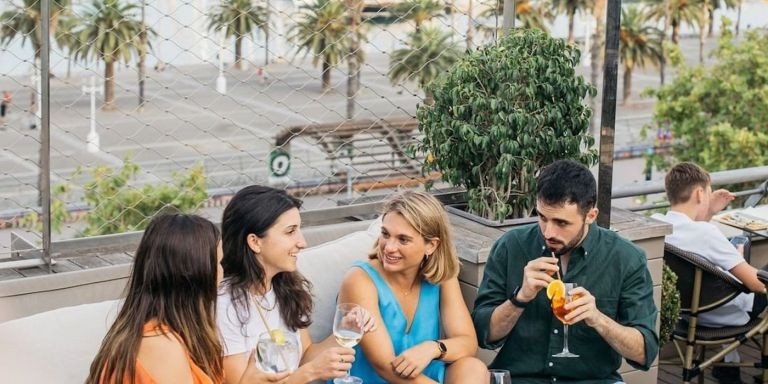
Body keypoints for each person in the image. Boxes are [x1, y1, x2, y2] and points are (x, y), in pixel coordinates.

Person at [472, 159, 658, 383]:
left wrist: (598, 319)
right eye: (542, 217)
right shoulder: (512, 246)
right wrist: (520, 298)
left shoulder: (625, 258)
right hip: (522, 379)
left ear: (590, 215)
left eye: (561, 223)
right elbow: (484, 335)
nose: (548, 232)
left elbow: (644, 352)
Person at [86, 213, 283, 384]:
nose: (222, 273)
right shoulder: (161, 346)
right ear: (195, 273)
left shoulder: (175, 334)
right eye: (218, 263)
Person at [218, 185, 376, 384]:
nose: (302, 242)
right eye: (290, 231)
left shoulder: (286, 287)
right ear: (255, 242)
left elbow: (306, 355)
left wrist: (345, 330)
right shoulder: (225, 305)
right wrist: (310, 373)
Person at [339, 190, 488, 383]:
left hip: (423, 374)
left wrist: (433, 348)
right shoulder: (360, 280)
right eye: (385, 234)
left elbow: (468, 343)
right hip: (376, 378)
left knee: (473, 368)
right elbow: (384, 365)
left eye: (403, 239)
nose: (389, 247)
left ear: (431, 246)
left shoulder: (442, 276)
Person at [651, 162, 766, 384]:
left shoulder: (658, 223)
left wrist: (709, 211)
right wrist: (740, 261)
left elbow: (693, 240)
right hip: (723, 314)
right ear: (699, 193)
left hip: (682, 311)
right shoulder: (706, 233)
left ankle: (730, 365)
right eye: (708, 191)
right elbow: (756, 284)